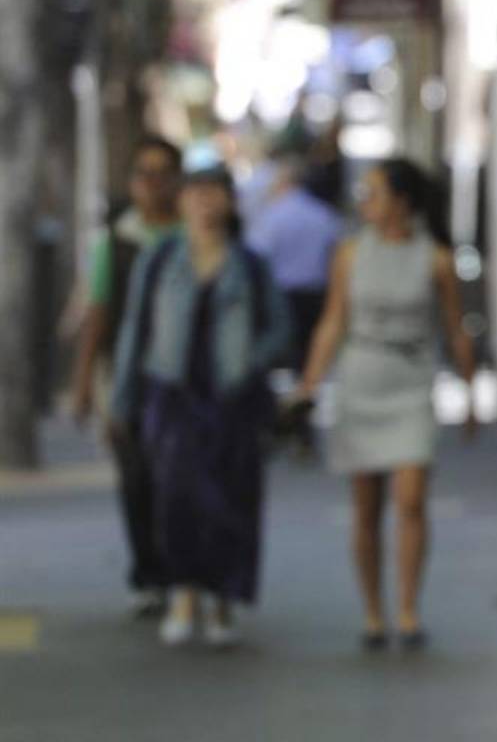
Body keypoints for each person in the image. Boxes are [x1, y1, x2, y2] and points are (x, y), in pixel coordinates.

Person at [293, 158, 476, 650]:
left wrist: (470, 389)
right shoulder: (350, 253)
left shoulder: (435, 257)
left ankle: (409, 610)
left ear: (402, 200)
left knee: (412, 499)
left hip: (413, 382)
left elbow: (455, 325)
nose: (365, 201)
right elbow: (333, 319)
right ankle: (374, 613)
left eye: (373, 192)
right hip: (360, 381)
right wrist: (309, 383)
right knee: (366, 506)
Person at [110, 166, 291, 648]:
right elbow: (135, 328)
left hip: (231, 399)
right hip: (172, 394)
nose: (205, 203)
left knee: (231, 503)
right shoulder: (161, 259)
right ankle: (184, 593)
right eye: (196, 194)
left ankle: (221, 600)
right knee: (175, 498)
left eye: (215, 194)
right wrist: (122, 399)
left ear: (230, 203)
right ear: (183, 201)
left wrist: (252, 361)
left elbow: (280, 329)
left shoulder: (249, 264)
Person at [70, 135, 182, 617]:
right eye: (143, 174)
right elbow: (97, 314)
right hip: (126, 376)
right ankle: (147, 572)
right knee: (137, 477)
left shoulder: (193, 235)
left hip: (182, 380)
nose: (152, 185)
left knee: (177, 477)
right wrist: (83, 383)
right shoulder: (115, 242)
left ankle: (181, 570)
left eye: (162, 174)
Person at [245, 151, 343, 371]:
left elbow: (257, 255)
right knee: (311, 355)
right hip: (316, 295)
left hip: (282, 296)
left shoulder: (271, 217)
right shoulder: (324, 214)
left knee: (285, 359)